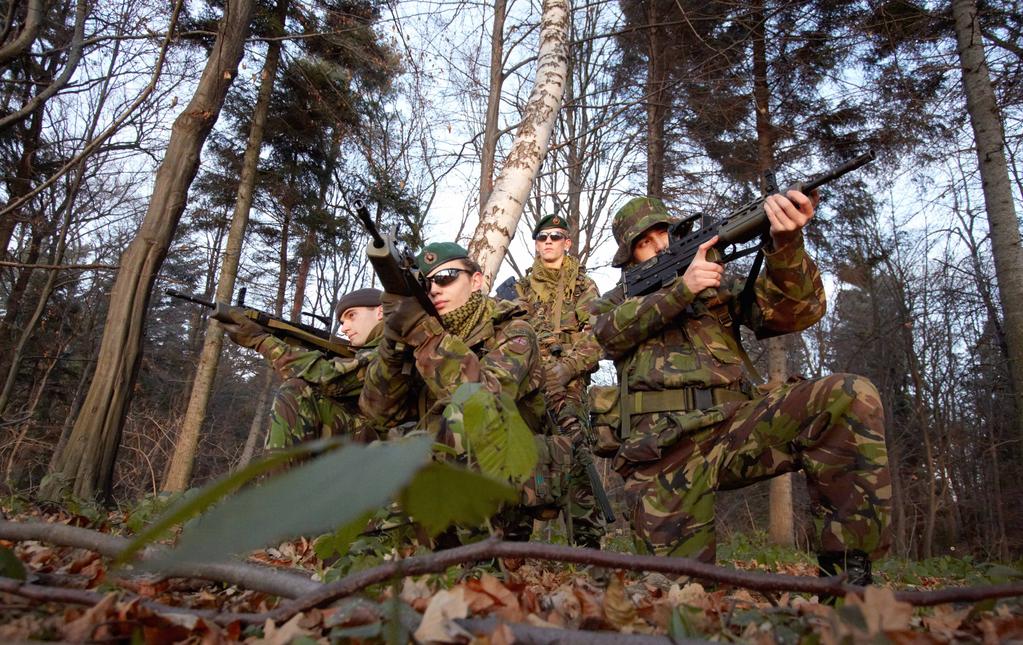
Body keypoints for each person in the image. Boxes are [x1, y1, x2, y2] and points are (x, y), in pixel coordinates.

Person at [591, 194, 890, 585]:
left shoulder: (717, 287)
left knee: (848, 394)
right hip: (662, 452)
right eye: (645, 242)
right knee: (677, 596)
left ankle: (848, 581)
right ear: (630, 258)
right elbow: (606, 335)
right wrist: (682, 290)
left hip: (735, 429)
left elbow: (795, 312)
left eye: (664, 233)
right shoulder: (615, 301)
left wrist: (786, 243)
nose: (661, 246)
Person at [359, 242, 553, 540]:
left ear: (476, 282)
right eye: (426, 284)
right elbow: (378, 413)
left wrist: (422, 332)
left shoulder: (514, 331)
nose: (434, 289)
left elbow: (482, 401)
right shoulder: (422, 334)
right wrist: (392, 343)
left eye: (446, 277)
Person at [500, 215, 605, 547]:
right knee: (520, 460)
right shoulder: (518, 289)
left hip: (568, 386)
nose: (548, 242)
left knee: (577, 460)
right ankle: (513, 548)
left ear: (567, 243)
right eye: (542, 237)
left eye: (556, 237)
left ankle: (588, 551)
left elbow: (596, 338)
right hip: (527, 387)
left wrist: (566, 369)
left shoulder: (583, 287)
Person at [222, 287, 384, 448]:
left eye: (352, 315)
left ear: (380, 311)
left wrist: (262, 341)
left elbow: (329, 378)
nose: (344, 328)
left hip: (388, 447)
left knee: (297, 392)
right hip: (377, 443)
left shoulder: (392, 349)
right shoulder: (371, 352)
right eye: (342, 322)